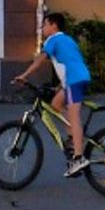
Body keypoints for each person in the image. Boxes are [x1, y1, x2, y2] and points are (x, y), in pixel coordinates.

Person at [14, 11, 94, 177]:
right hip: (76, 78)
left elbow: (40, 59)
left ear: (53, 25)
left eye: (44, 24)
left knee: (74, 116)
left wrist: (24, 75)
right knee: (56, 104)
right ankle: (73, 138)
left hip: (74, 80)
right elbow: (71, 61)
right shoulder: (68, 40)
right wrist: (59, 86)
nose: (42, 28)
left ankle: (79, 157)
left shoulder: (53, 40)